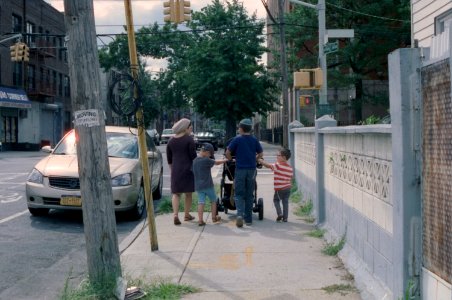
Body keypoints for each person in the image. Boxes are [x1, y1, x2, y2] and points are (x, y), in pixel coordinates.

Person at [225, 118, 263, 227]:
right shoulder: (254, 140)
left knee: (239, 193)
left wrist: (231, 159)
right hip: (251, 170)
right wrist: (255, 158)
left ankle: (240, 215)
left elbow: (228, 152)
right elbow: (260, 153)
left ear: (241, 129)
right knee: (249, 194)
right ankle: (249, 219)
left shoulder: (237, 140)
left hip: (240, 169)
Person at [167, 118, 197, 225]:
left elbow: (169, 159)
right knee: (188, 194)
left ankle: (175, 215)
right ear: (185, 128)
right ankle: (186, 215)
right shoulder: (189, 140)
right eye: (190, 128)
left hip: (176, 170)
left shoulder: (170, 141)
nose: (191, 130)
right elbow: (193, 157)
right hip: (188, 170)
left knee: (176, 194)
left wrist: (172, 171)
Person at [193, 143, 227, 226]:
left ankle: (200, 220)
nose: (210, 156)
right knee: (213, 200)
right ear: (206, 152)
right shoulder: (206, 160)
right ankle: (213, 217)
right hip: (208, 185)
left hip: (198, 186)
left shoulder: (195, 160)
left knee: (201, 202)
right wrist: (225, 160)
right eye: (210, 154)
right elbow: (216, 162)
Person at [258, 148, 293, 222]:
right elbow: (291, 178)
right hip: (288, 188)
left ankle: (279, 213)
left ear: (283, 158)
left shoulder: (278, 166)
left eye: (278, 155)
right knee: (285, 202)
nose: (276, 156)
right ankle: (285, 218)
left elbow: (268, 165)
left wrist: (260, 160)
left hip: (279, 188)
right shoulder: (290, 168)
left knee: (276, 200)